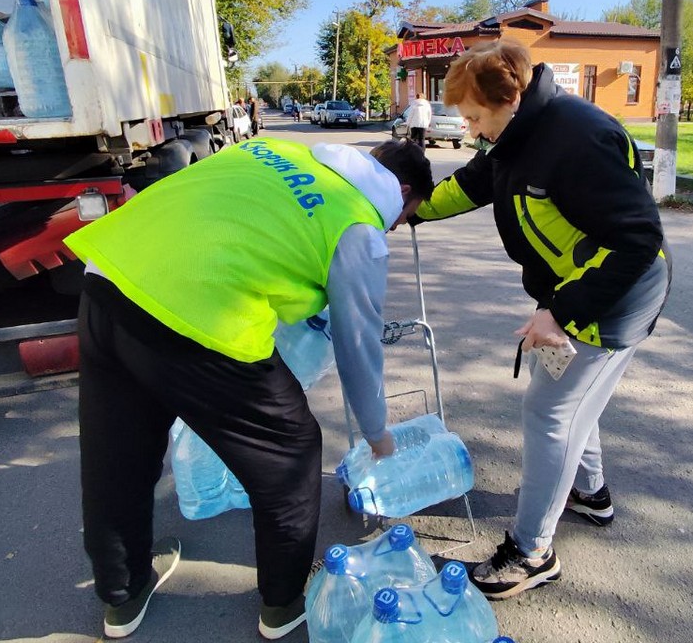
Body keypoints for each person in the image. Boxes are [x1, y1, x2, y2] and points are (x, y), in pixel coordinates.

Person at [64, 138, 434, 640]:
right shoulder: (359, 227)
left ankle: (122, 595)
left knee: (117, 455)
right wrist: (376, 431)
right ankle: (282, 605)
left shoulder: (273, 148)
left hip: (109, 278)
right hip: (196, 314)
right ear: (402, 192)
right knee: (292, 453)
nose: (395, 227)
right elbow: (358, 343)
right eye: (405, 216)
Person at [412, 39, 671, 600]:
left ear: (510, 98)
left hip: (612, 299)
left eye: (476, 117)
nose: (473, 130)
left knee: (550, 412)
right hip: (572, 291)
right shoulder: (516, 133)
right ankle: (592, 495)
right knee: (572, 401)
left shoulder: (578, 139)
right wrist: (411, 209)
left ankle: (532, 554)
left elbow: (637, 240)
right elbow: (475, 183)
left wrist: (562, 312)